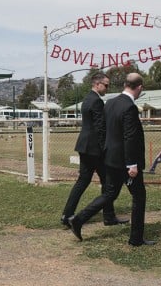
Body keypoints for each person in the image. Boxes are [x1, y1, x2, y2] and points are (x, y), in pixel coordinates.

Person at [69, 73, 155, 247]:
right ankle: (136, 238)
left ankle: (79, 219)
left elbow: (106, 130)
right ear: (139, 88)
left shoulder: (110, 103)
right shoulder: (129, 107)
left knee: (110, 194)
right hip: (125, 161)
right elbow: (129, 137)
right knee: (139, 196)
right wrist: (132, 164)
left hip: (110, 159)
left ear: (125, 84)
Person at [61, 72, 128, 227]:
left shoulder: (87, 99)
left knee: (83, 182)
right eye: (106, 85)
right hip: (94, 150)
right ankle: (109, 217)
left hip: (85, 147)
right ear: (97, 84)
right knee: (108, 183)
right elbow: (100, 129)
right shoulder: (97, 101)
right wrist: (107, 148)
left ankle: (67, 215)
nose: (107, 87)